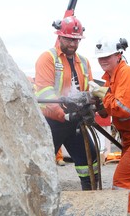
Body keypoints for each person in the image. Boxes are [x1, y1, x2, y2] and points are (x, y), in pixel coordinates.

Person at [35, 16, 98, 190]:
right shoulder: (47, 58)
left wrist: (94, 102)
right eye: (69, 39)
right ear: (60, 37)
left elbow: (89, 88)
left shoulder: (84, 62)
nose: (73, 44)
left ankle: (91, 194)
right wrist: (63, 115)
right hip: (52, 122)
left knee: (90, 159)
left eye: (76, 40)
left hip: (75, 120)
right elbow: (45, 92)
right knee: (41, 164)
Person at [90, 37, 130, 213]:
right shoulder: (111, 77)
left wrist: (105, 96)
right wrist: (98, 105)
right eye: (100, 57)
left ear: (118, 55)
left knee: (123, 183)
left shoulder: (126, 73)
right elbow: (110, 108)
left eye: (107, 56)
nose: (103, 60)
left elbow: (124, 109)